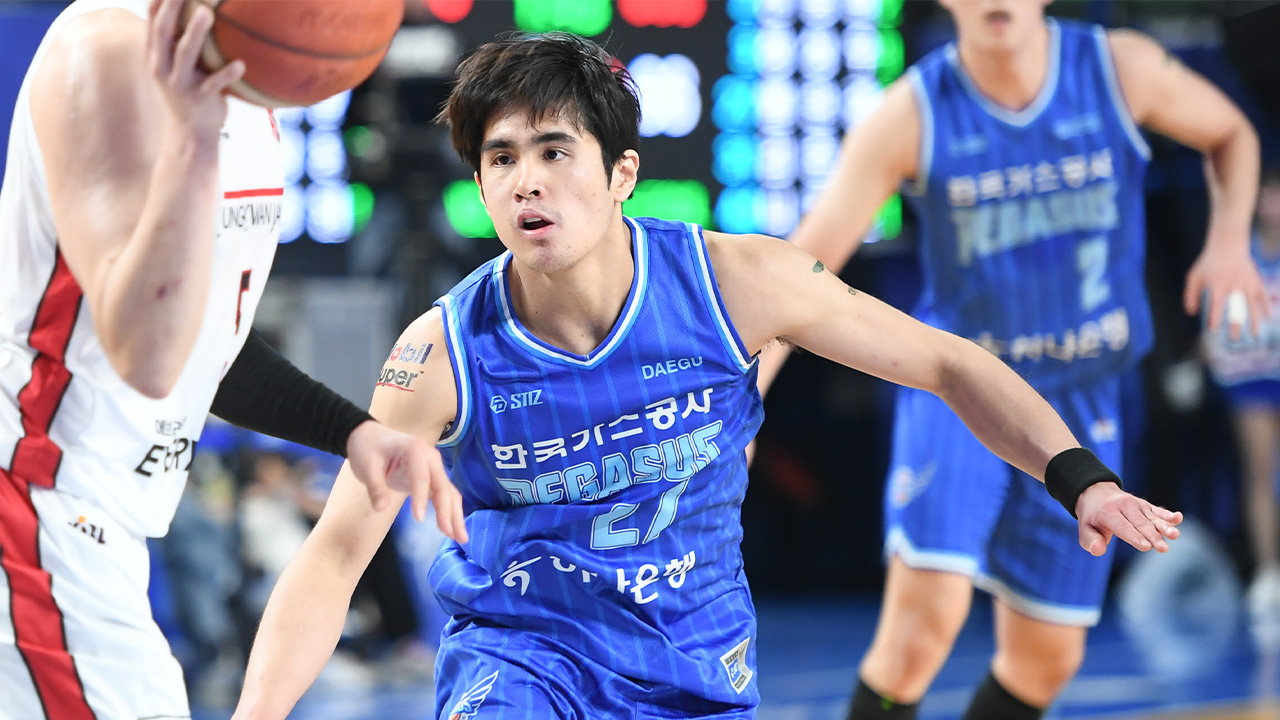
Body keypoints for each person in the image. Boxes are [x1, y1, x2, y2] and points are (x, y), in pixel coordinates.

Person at [229, 31, 1181, 720]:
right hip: (522, 663)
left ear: (621, 175)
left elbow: (948, 362)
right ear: (480, 186)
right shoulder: (441, 351)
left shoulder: (737, 282)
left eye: (555, 151)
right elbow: (335, 555)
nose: (527, 180)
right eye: (502, 159)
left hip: (691, 666)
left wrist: (1079, 478)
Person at [751, 1, 1264, 718]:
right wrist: (747, 396)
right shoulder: (911, 112)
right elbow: (805, 270)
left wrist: (1231, 240)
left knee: (1045, 661)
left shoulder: (1117, 68)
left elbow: (1232, 132)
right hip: (961, 389)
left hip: (1081, 392)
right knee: (920, 630)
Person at [0, 1, 466, 719]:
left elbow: (207, 342)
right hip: (31, 500)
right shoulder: (107, 52)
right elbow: (149, 356)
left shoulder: (251, 81)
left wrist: (351, 431)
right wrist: (192, 138)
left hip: (95, 524)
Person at [1203, 168, 1280, 633]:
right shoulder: (1237, 255)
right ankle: (1269, 572)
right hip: (1251, 378)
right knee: (1259, 473)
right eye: (1269, 196)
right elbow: (1217, 320)